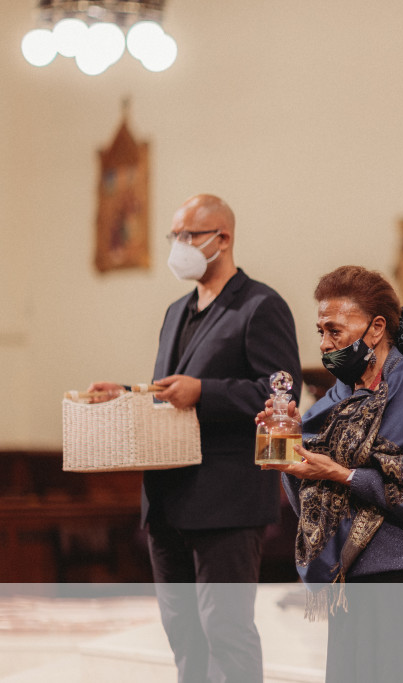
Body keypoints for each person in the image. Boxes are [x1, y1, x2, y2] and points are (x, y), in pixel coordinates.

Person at [89, 194, 302, 683]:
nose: (178, 245)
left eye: (188, 235)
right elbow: (170, 394)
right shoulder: (176, 311)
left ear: (222, 238)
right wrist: (125, 394)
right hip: (167, 498)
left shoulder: (259, 305)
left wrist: (205, 391)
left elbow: (281, 392)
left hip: (227, 500)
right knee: (183, 632)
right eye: (174, 236)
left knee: (225, 630)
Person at [259, 265, 403, 682]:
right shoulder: (331, 404)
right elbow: (308, 504)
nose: (325, 344)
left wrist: (343, 474)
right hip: (350, 578)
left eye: (335, 330)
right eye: (320, 332)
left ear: (376, 328)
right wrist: (289, 455)